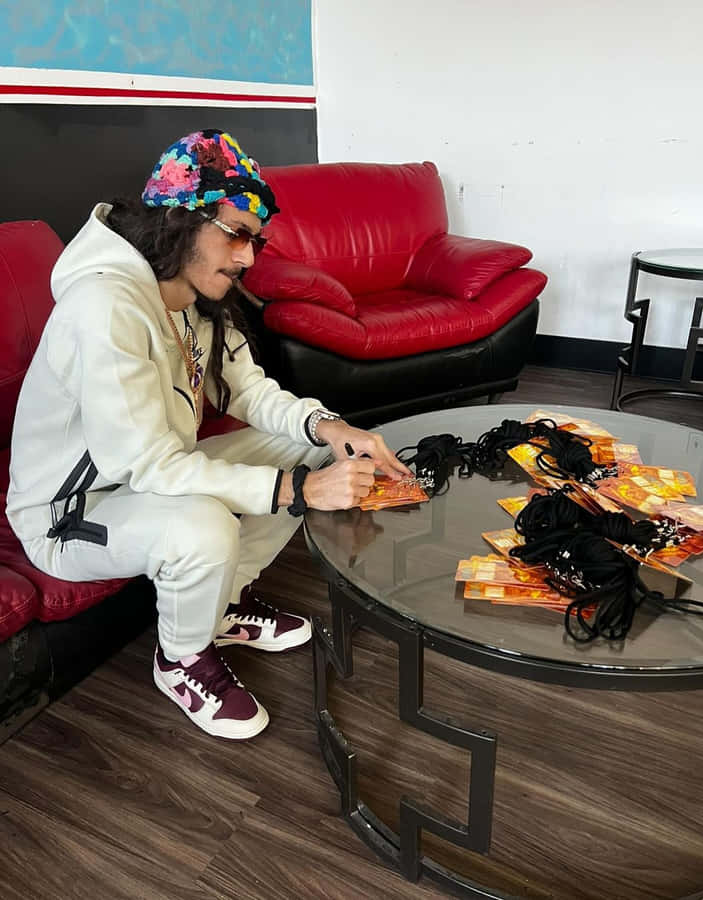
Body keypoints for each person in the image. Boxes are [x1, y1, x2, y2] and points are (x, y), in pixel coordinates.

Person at [7, 129, 411, 741]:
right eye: (236, 234)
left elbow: (247, 390)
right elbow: (148, 465)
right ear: (180, 219)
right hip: (71, 514)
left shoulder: (188, 294)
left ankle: (222, 606)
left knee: (312, 450)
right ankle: (181, 659)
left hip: (146, 476)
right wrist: (299, 491)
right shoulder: (105, 307)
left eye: (256, 240)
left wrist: (329, 427)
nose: (249, 257)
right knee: (205, 524)